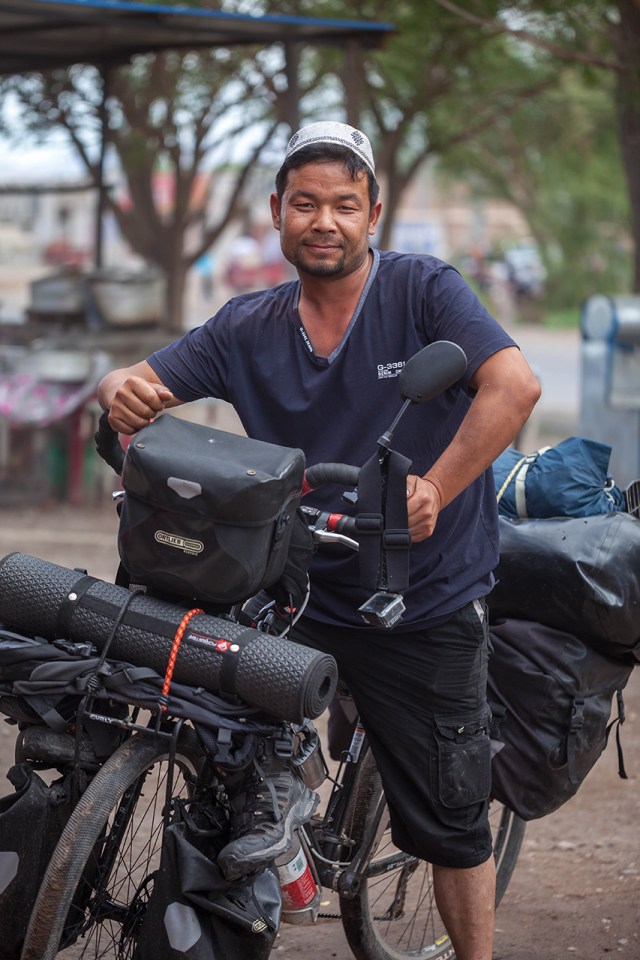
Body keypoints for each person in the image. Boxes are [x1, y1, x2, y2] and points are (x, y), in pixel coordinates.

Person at [98, 120, 541, 960]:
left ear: (373, 214)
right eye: (306, 203)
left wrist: (435, 489)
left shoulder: (422, 292)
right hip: (291, 589)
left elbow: (514, 385)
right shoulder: (247, 325)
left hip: (421, 598)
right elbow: (142, 380)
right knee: (216, 746)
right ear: (277, 213)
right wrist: (121, 390)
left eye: (345, 204)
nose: (324, 221)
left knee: (449, 821)